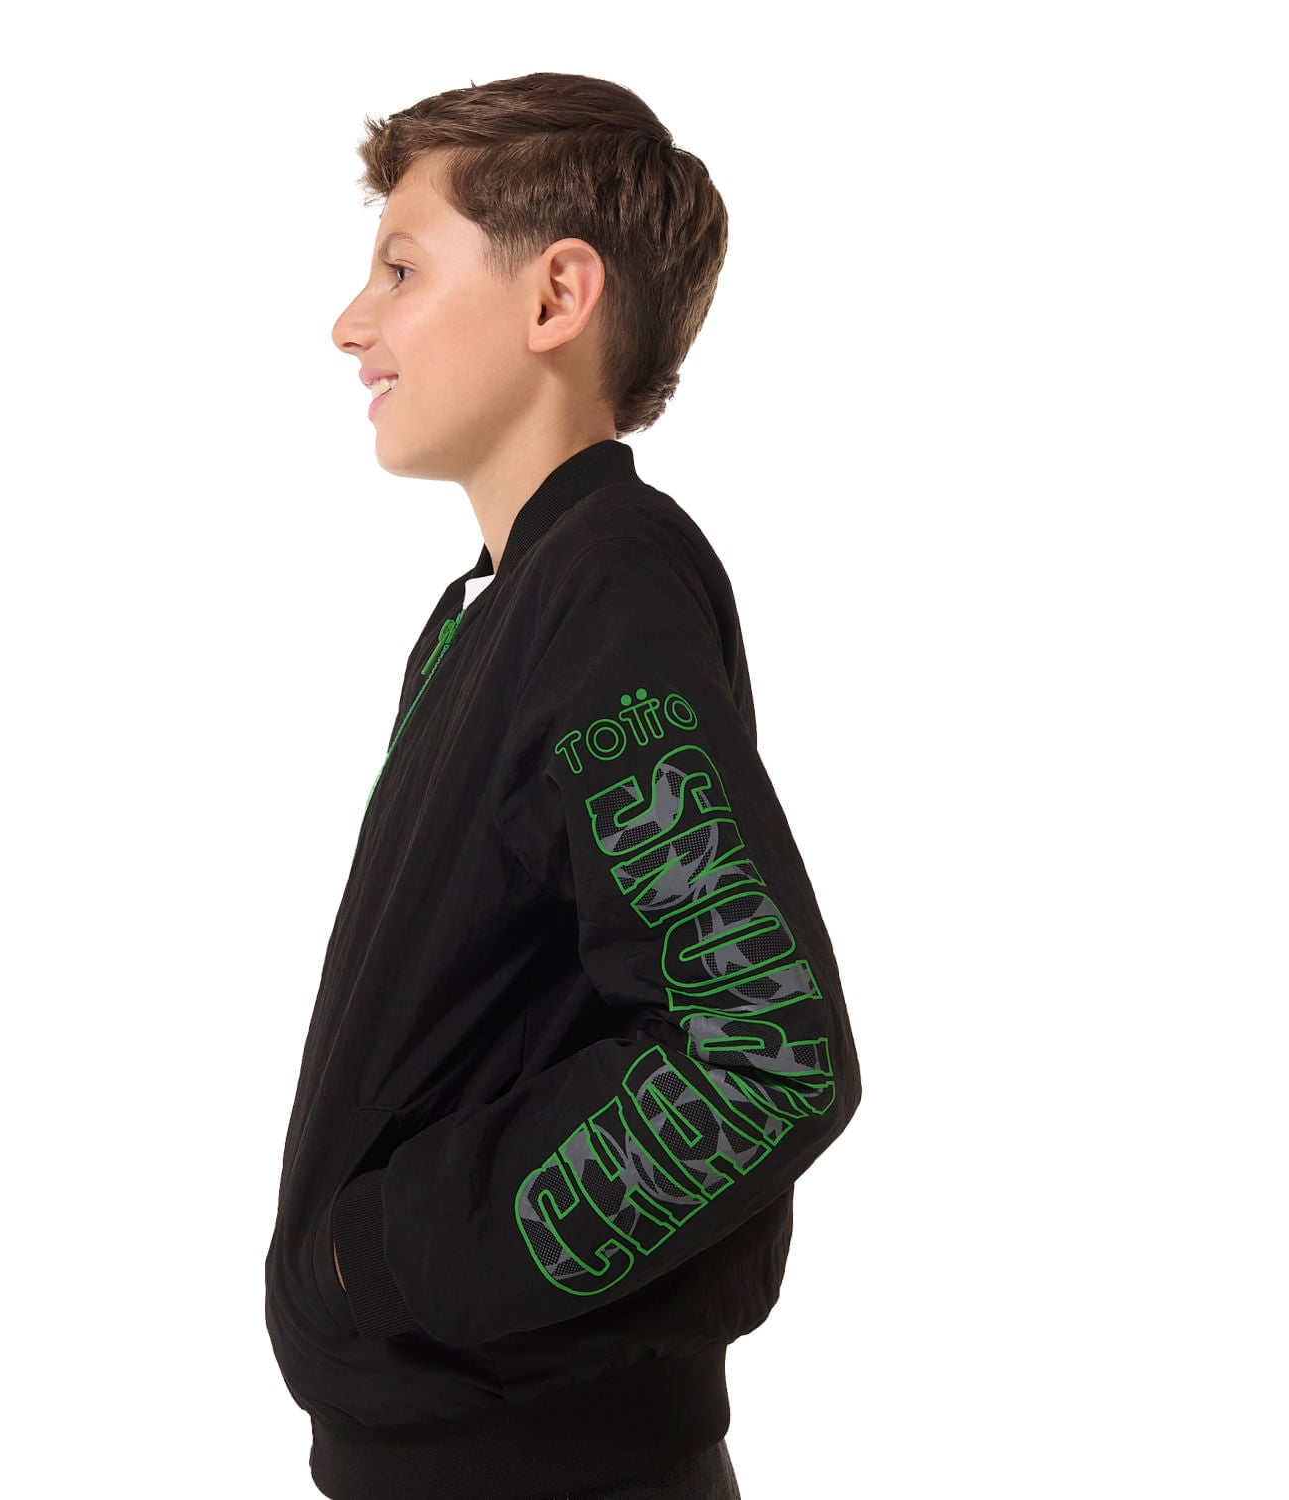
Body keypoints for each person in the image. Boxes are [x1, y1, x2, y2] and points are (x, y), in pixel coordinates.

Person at [265, 71, 862, 1500]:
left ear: (556, 298)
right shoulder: (500, 609)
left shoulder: (604, 586)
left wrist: (384, 1252)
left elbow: (761, 1046)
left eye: (401, 269)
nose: (351, 324)